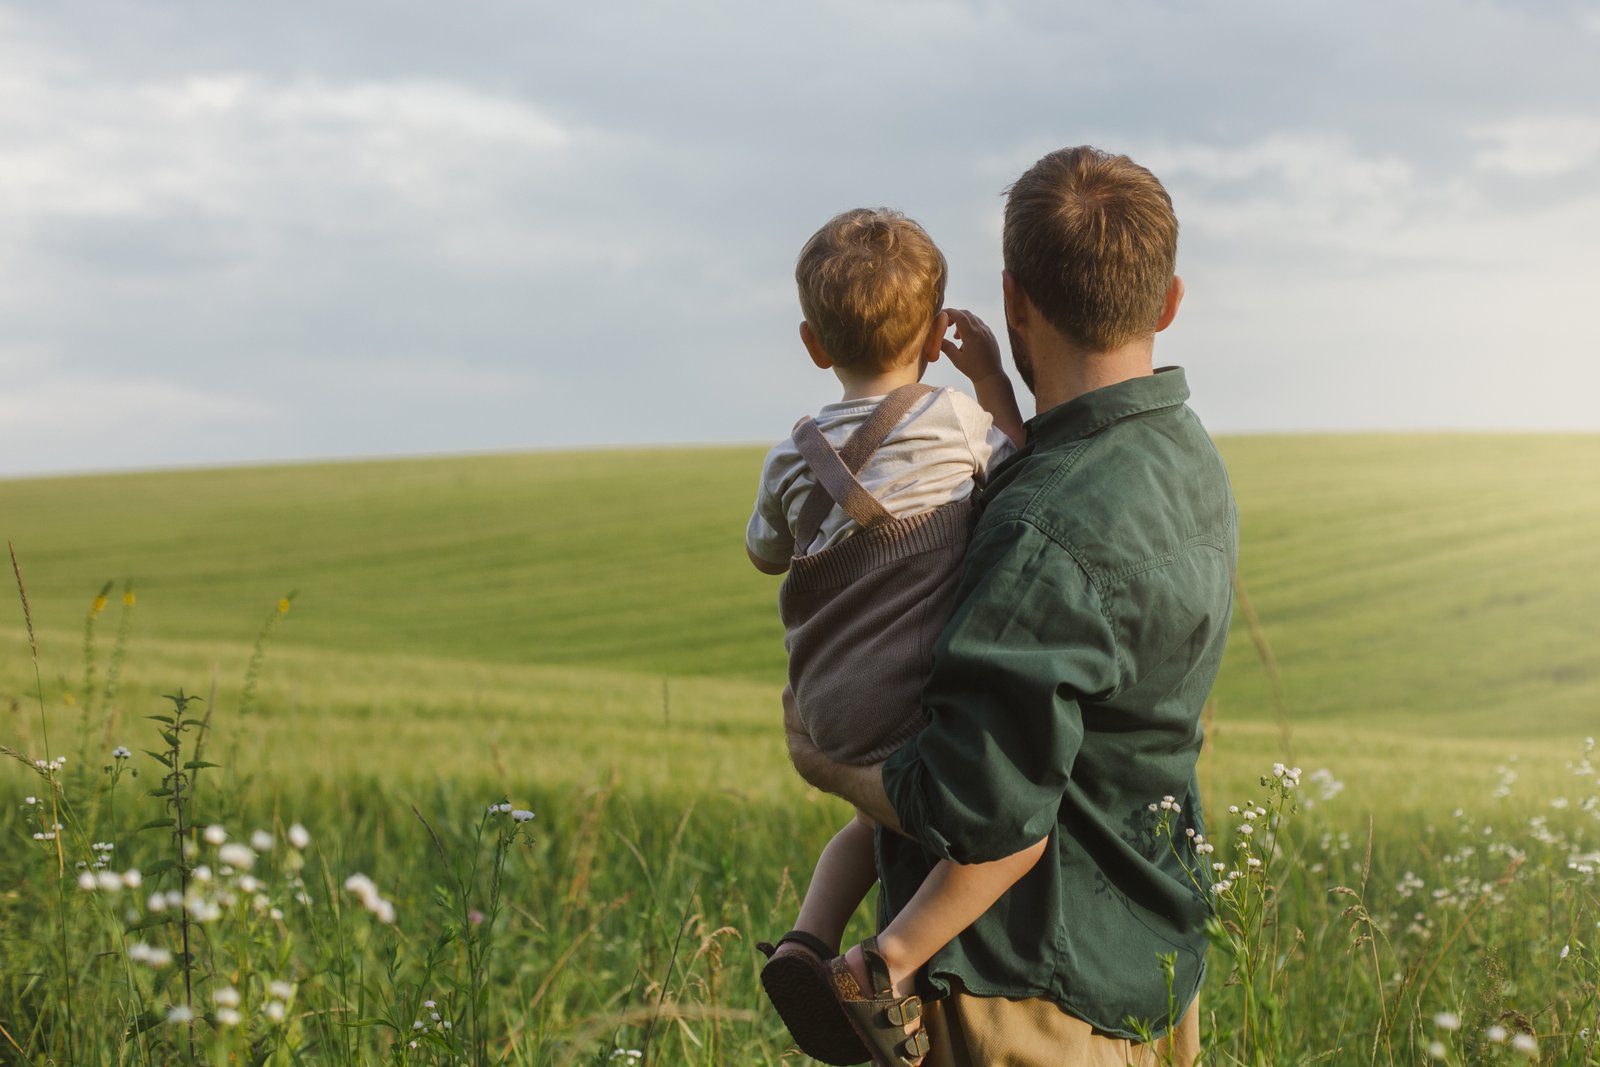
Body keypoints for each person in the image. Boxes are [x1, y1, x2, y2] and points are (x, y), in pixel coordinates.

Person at [785, 146, 1238, 1067]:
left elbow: (976, 808)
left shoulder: (1040, 529)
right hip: (1148, 964)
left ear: (1014, 301)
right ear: (1169, 302)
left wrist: (827, 762)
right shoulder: (1187, 459)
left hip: (1025, 994)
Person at [746, 207, 1049, 1066]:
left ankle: (806, 940)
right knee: (1013, 829)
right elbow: (1022, 460)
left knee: (875, 829)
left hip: (827, 706)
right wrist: (991, 375)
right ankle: (888, 962)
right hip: (914, 699)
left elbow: (765, 554)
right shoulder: (954, 420)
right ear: (931, 334)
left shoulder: (790, 455)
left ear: (812, 343)